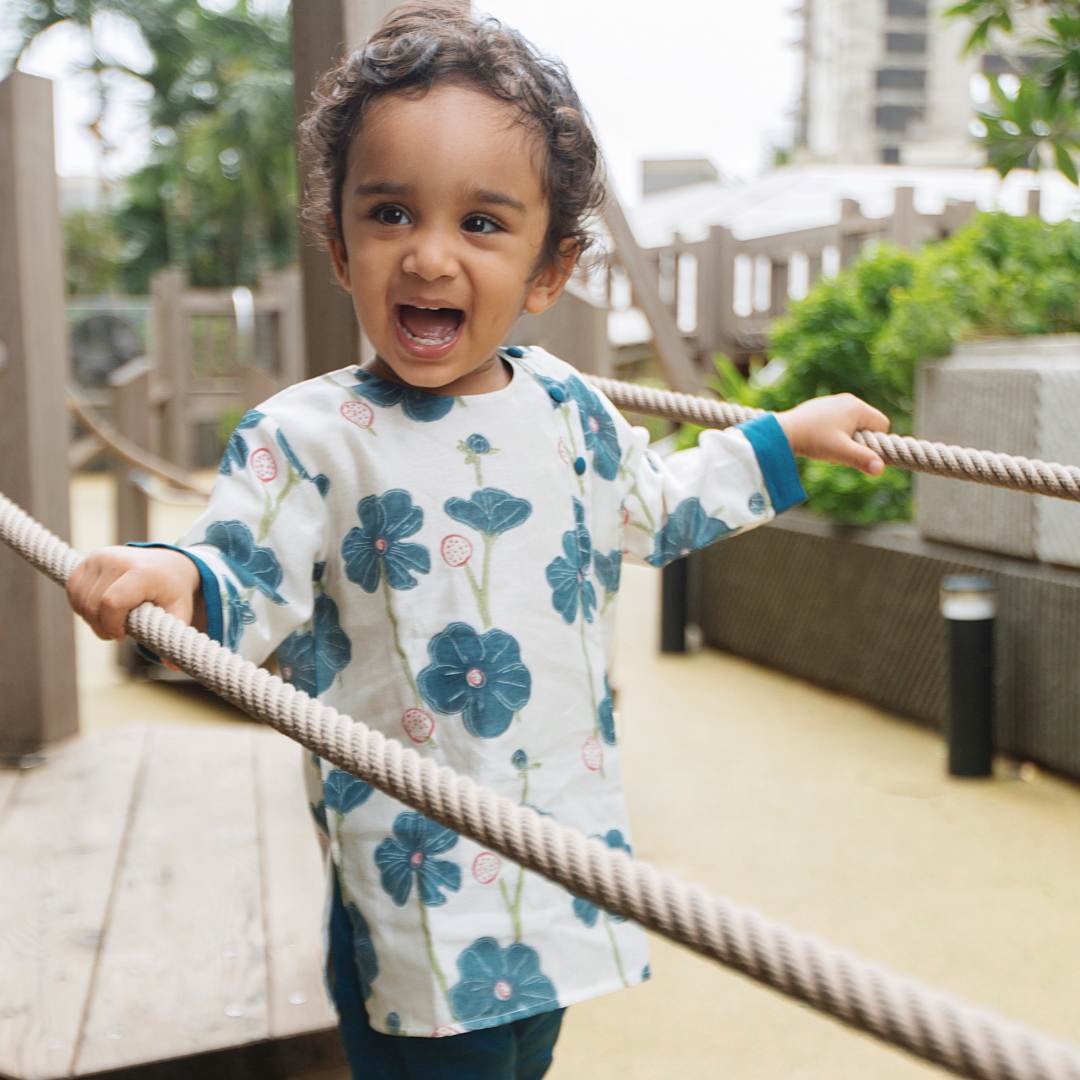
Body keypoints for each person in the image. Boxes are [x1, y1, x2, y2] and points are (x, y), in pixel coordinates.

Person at [65, 5, 890, 1077]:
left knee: (526, 1058)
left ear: (550, 269)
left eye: (483, 224)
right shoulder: (308, 435)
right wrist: (177, 575)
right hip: (414, 886)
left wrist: (783, 439)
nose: (429, 256)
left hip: (556, 863)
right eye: (390, 213)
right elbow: (242, 561)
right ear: (341, 246)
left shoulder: (567, 407)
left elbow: (654, 504)